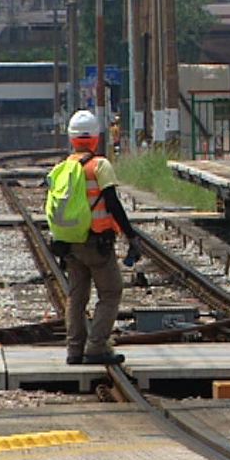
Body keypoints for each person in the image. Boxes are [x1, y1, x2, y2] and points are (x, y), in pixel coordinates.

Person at [52, 110, 141, 365]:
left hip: (71, 243)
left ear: (71, 138)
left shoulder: (61, 168)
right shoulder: (99, 166)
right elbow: (112, 203)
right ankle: (97, 346)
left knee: (76, 297)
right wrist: (131, 236)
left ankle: (74, 350)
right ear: (95, 139)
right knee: (111, 292)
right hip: (98, 243)